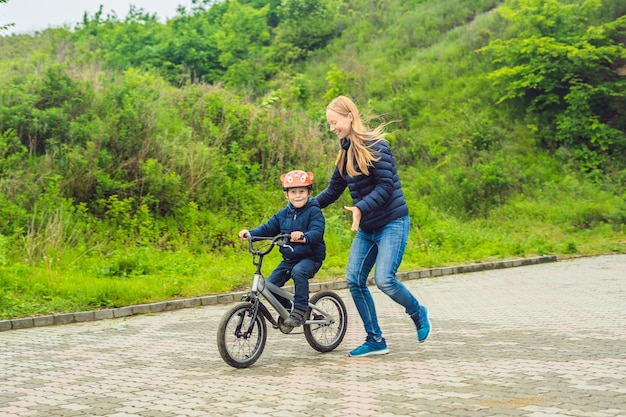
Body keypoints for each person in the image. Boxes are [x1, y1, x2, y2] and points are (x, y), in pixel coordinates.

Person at [314, 95, 431, 357]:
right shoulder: (344, 153)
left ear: (350, 117)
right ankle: (375, 339)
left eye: (335, 122)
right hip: (369, 226)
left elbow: (385, 186)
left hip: (393, 222)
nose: (332, 128)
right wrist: (304, 207)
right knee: (354, 279)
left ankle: (417, 312)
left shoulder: (377, 146)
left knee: (384, 279)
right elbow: (333, 190)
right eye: (329, 124)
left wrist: (360, 207)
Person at [238, 170, 326, 328]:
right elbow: (268, 229)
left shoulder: (314, 211)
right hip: (289, 259)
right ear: (286, 195)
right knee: (269, 286)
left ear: (309, 193)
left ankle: (300, 309)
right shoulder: (282, 214)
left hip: (310, 257)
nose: (298, 195)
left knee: (298, 272)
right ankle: (287, 312)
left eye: (302, 191)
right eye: (293, 192)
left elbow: (317, 232)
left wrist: (304, 237)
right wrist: (250, 234)